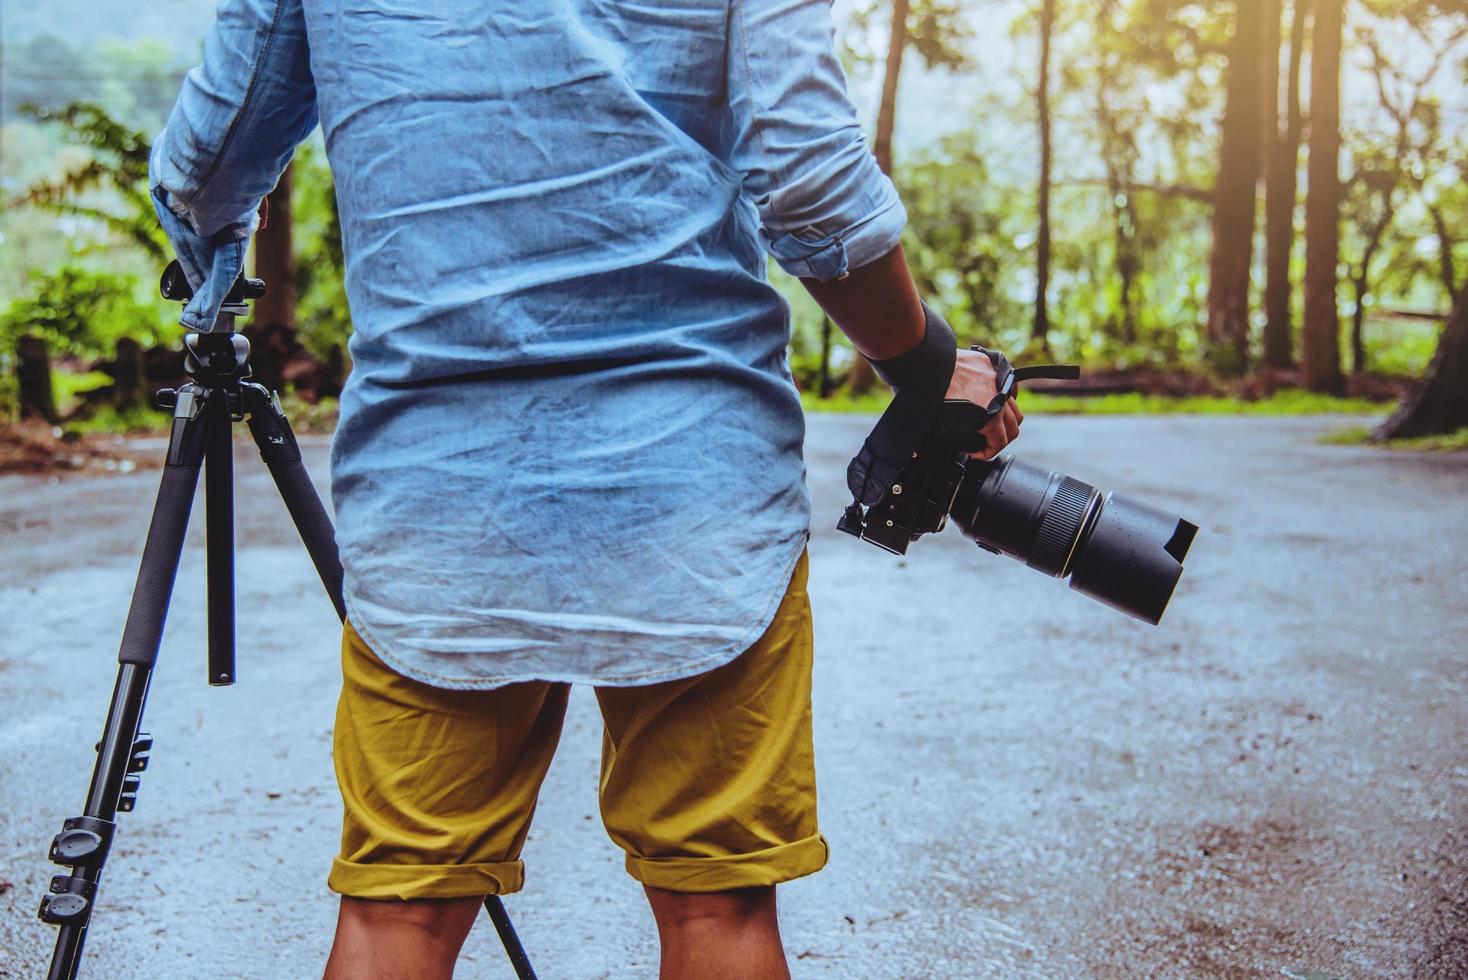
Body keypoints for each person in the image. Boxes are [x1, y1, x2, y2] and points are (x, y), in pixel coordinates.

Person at [150, 0, 1023, 976]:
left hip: (437, 491)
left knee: (399, 906)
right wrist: (924, 360)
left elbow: (209, 162)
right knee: (717, 909)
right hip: (691, 484)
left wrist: (214, 257)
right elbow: (812, 186)